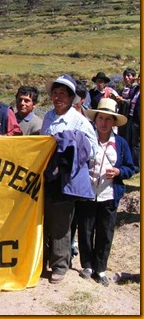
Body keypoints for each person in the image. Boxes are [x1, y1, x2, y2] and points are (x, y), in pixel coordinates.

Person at [41, 74, 98, 284]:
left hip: (65, 178)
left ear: (71, 97)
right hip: (46, 176)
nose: (57, 97)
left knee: (61, 223)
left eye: (62, 94)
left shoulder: (79, 121)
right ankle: (42, 261)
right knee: (45, 220)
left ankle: (60, 265)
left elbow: (92, 150)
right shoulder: (47, 117)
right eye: (55, 93)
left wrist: (72, 150)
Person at [77, 98, 135, 286]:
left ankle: (100, 268)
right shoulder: (86, 139)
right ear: (95, 119)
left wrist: (119, 172)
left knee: (105, 232)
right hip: (87, 193)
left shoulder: (121, 143)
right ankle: (87, 265)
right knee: (85, 230)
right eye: (101, 118)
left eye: (108, 119)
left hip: (109, 195)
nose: (103, 123)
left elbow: (130, 167)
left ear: (113, 122)